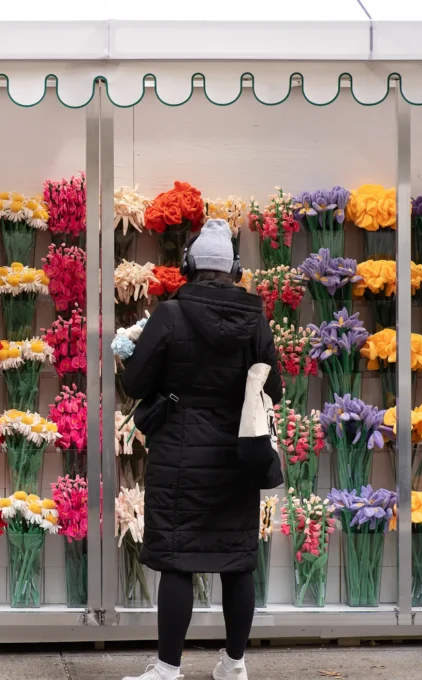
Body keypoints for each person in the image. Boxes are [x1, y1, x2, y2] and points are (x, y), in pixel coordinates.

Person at [119, 219, 282, 680]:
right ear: (233, 268)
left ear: (188, 266)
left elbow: (134, 383)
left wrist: (133, 350)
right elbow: (277, 389)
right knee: (236, 561)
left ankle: (168, 669)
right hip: (237, 454)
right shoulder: (255, 320)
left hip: (180, 454)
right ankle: (234, 665)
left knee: (177, 561)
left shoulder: (171, 315)